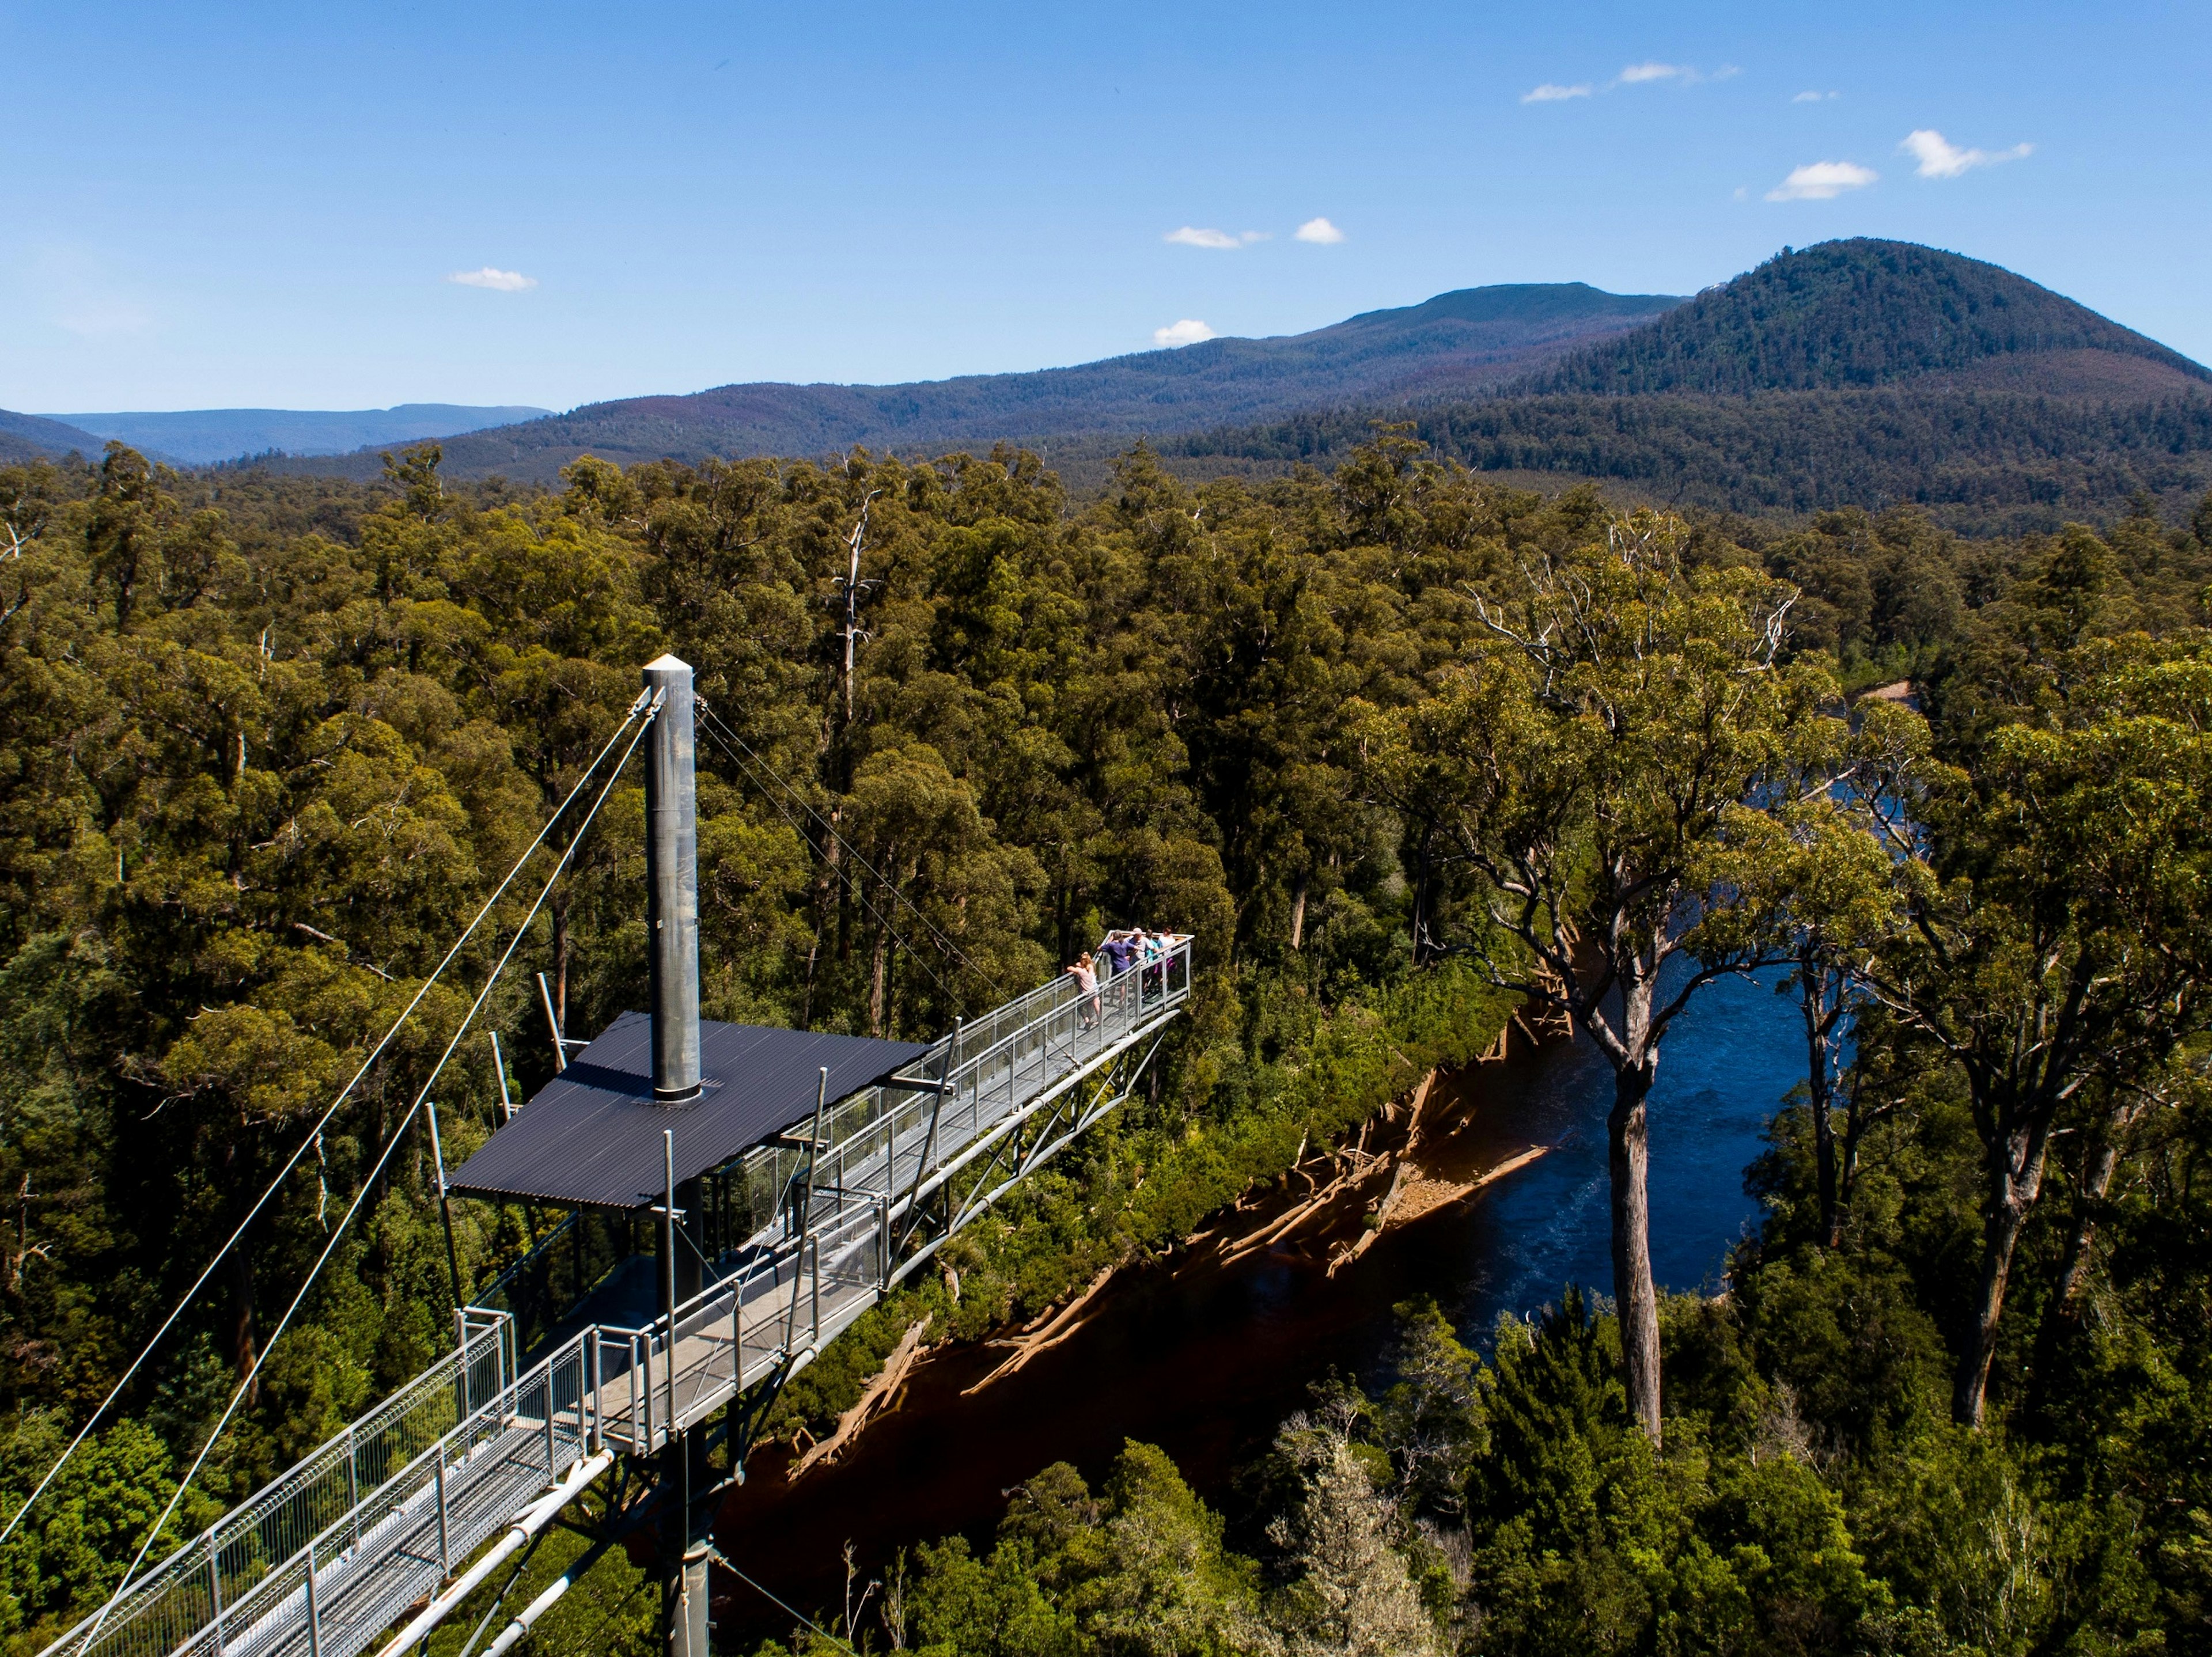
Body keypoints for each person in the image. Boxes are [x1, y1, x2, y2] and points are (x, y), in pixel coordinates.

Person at [1065, 951, 1100, 1029]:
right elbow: (1090, 966)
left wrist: (1078, 967)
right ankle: (1098, 1019)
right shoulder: (1091, 970)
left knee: (1079, 1007)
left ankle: (1087, 1020)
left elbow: (1069, 968)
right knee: (1095, 1005)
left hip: (1085, 994)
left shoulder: (1081, 971)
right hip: (1093, 991)